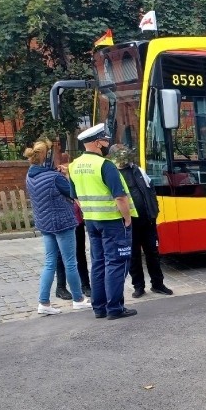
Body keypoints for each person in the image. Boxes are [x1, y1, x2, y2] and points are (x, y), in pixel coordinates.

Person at [68, 124, 138, 320]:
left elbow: (75, 197)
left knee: (99, 263)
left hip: (92, 222)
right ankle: (114, 308)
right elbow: (120, 197)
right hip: (113, 222)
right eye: (105, 140)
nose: (107, 143)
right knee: (116, 263)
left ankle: (99, 308)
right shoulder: (105, 165)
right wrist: (127, 218)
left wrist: (90, 212)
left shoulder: (74, 166)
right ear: (98, 142)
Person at [24, 140, 92, 315]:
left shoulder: (30, 176)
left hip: (45, 224)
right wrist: (67, 175)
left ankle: (44, 302)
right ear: (46, 156)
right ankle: (78, 299)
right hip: (62, 223)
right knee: (71, 262)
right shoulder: (54, 177)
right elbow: (73, 192)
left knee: (49, 263)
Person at [108, 144, 172, 298]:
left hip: (148, 221)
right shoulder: (113, 174)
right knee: (134, 256)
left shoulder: (138, 170)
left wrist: (154, 211)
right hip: (129, 223)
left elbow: (150, 189)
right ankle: (138, 286)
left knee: (153, 253)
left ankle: (158, 284)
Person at [54, 200, 91, 300]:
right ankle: (61, 287)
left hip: (77, 220)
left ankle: (85, 285)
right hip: (62, 223)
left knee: (80, 254)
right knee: (61, 255)